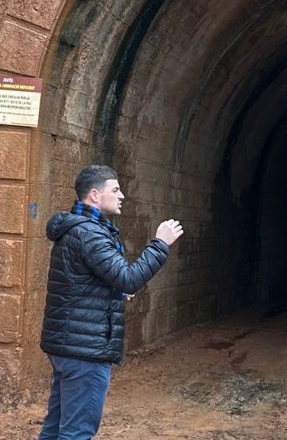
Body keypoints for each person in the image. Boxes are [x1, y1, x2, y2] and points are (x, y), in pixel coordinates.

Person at [38, 164, 184, 440]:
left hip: (69, 344)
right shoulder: (90, 234)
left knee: (56, 428)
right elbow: (129, 278)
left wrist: (113, 291)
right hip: (85, 349)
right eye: (115, 190)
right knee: (76, 432)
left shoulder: (77, 229)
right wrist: (160, 244)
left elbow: (81, 283)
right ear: (94, 195)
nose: (122, 196)